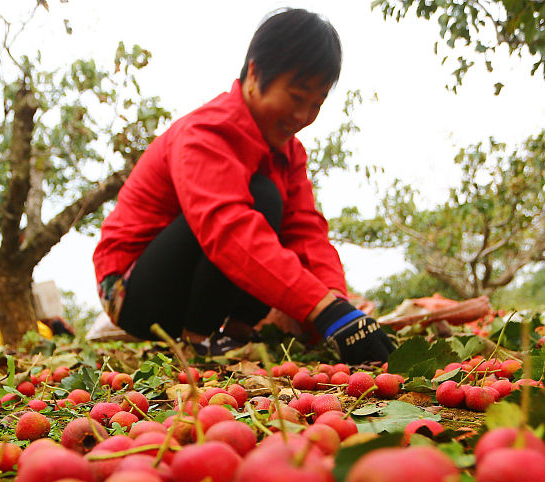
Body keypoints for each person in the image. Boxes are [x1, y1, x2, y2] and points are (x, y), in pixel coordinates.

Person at [92, 7, 394, 363]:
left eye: (316, 104)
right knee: (261, 198)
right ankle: (200, 340)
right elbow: (227, 228)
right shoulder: (205, 133)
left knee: (275, 218)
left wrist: (339, 310)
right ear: (254, 72)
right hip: (134, 292)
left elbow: (307, 234)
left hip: (193, 284)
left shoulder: (289, 153)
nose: (302, 117)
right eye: (297, 97)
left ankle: (234, 332)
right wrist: (322, 308)